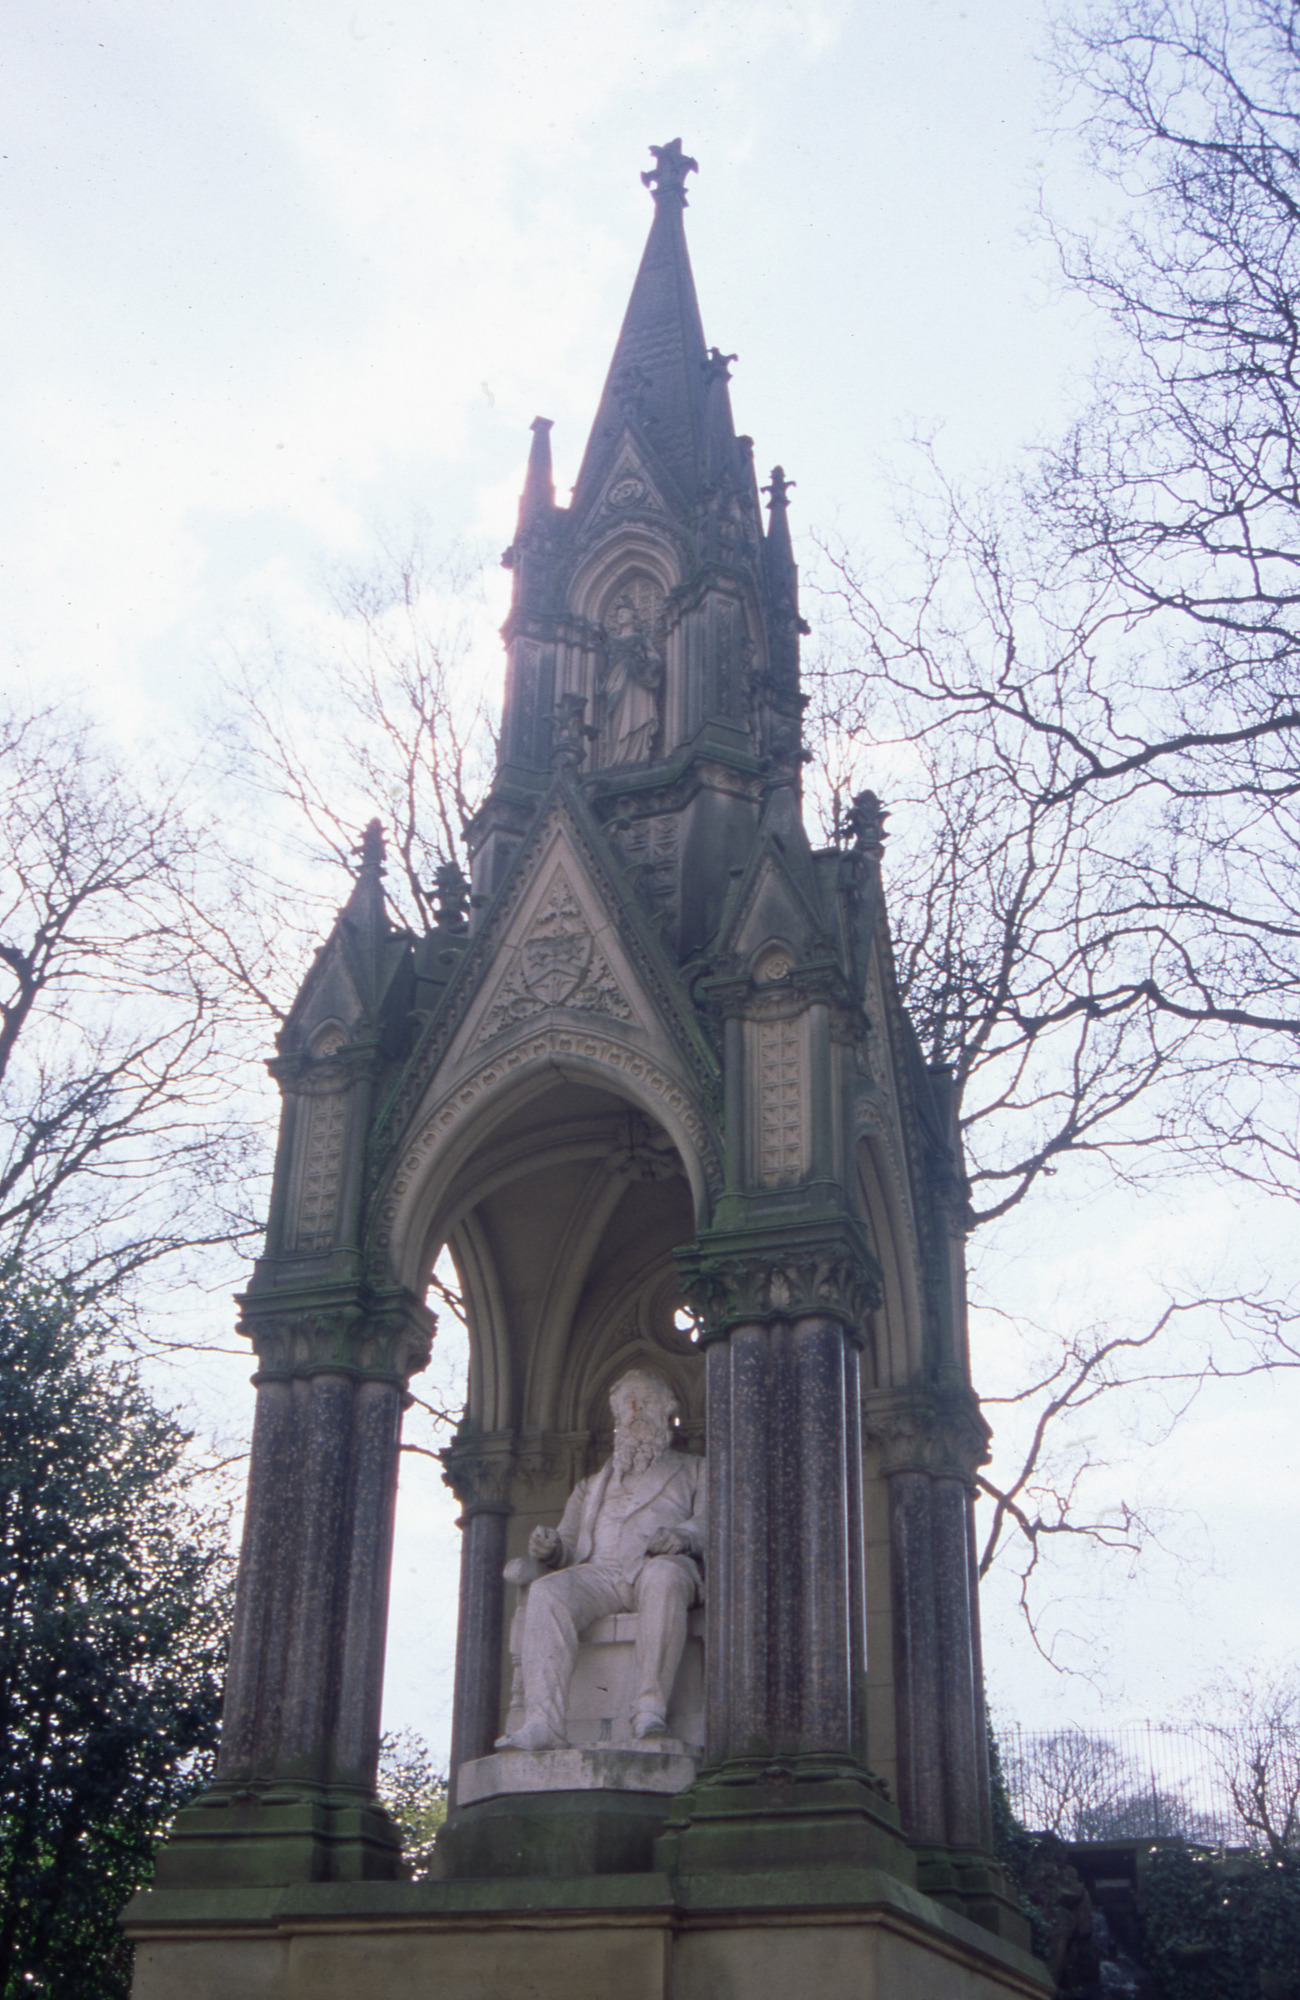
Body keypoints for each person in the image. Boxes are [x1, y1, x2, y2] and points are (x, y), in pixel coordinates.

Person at [496, 1367, 704, 1752]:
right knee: (547, 1592)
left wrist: (682, 1536)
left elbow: (710, 1523)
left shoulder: (694, 1469)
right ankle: (543, 1723)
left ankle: (649, 1711)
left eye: (646, 1400)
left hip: (657, 1565)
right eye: (628, 1404)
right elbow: (569, 1543)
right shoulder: (591, 1485)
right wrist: (551, 1548)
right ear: (617, 1415)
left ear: (668, 1408)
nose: (636, 1409)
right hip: (601, 1575)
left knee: (664, 1576)